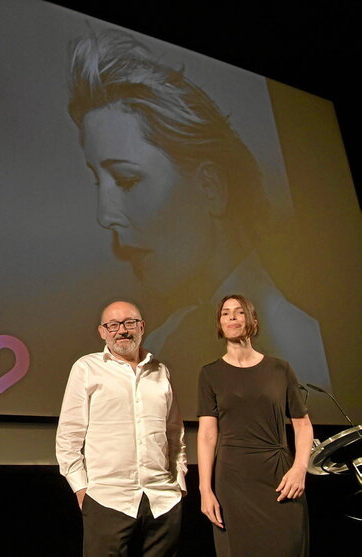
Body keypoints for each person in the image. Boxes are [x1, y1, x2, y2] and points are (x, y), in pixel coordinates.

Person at [66, 29, 330, 411]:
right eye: (98, 180)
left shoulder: (305, 350)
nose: (104, 215)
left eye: (127, 179)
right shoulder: (160, 345)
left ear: (210, 187)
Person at [56, 300, 186, 557]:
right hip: (107, 499)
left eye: (129, 323)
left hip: (163, 500)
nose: (122, 330)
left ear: (141, 327)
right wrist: (82, 489)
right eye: (113, 325)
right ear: (102, 332)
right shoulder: (87, 368)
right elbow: (68, 437)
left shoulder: (160, 371)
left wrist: (178, 482)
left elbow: (174, 433)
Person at [197, 294, 313, 556]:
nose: (232, 317)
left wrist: (300, 468)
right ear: (219, 323)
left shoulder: (280, 369)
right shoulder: (210, 373)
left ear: (253, 321)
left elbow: (303, 425)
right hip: (233, 480)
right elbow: (206, 435)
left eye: (239, 312)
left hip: (280, 477)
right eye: (225, 313)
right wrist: (205, 489)